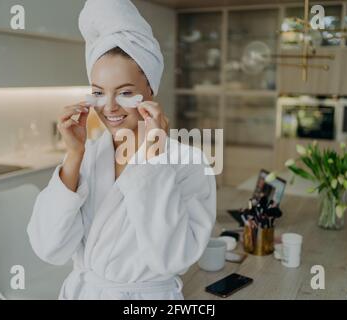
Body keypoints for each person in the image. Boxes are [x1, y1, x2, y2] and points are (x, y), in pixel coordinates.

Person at [27, 0, 216, 300]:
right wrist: (74, 155)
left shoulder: (189, 161)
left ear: (150, 89)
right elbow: (49, 248)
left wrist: (153, 161)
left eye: (126, 92)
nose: (110, 107)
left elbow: (172, 258)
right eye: (99, 93)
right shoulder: (87, 157)